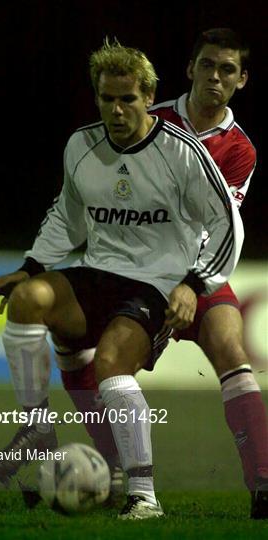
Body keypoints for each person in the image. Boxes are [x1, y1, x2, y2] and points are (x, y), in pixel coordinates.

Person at [0, 37, 244, 520]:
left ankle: (143, 494)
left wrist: (194, 283)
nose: (117, 109)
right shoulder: (81, 144)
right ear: (97, 97)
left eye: (128, 98)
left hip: (156, 284)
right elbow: (67, 216)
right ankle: (37, 427)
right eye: (108, 98)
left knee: (109, 363)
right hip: (97, 273)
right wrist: (29, 267)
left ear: (149, 97)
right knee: (26, 301)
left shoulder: (182, 152)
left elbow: (228, 224)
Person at [55, 28, 268, 519]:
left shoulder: (240, 150)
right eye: (207, 65)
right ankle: (111, 470)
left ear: (242, 80)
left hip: (197, 277)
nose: (216, 76)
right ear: (190, 69)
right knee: (90, 357)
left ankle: (261, 485)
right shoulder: (150, 117)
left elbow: (221, 227)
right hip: (135, 275)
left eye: (227, 69)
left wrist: (195, 284)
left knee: (232, 350)